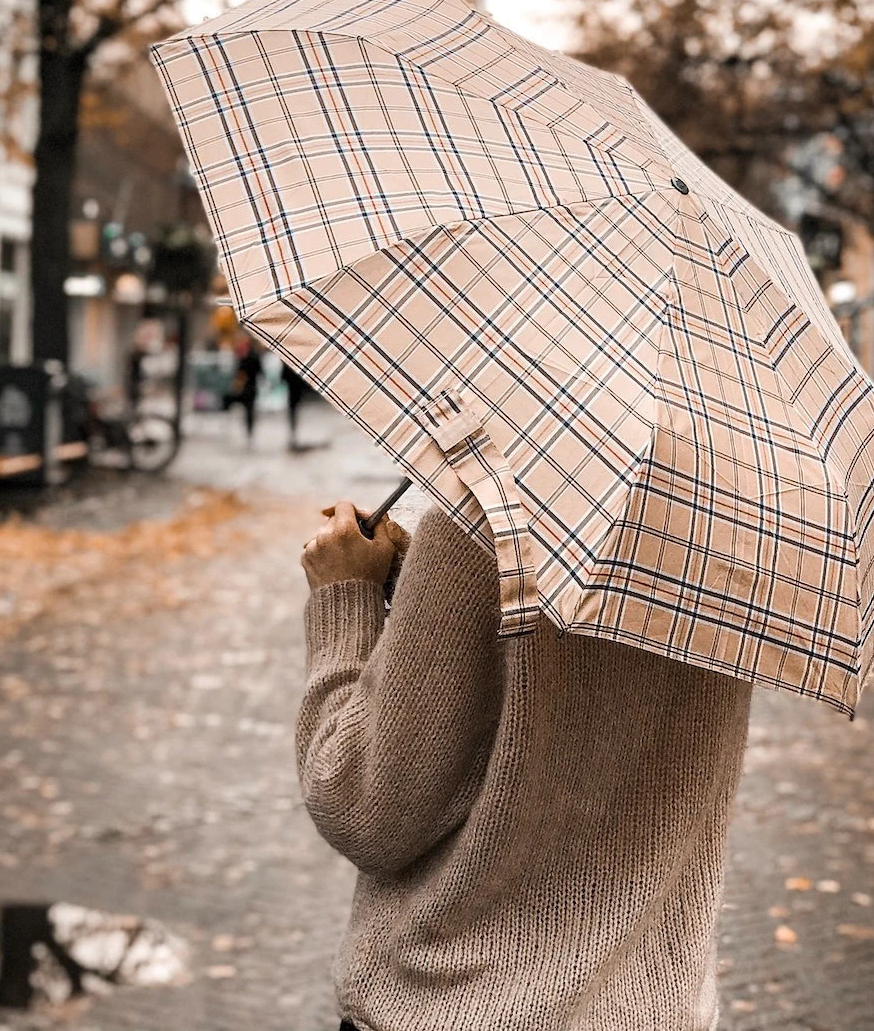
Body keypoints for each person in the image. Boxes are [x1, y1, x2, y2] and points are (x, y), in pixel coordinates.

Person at [296, 499, 753, 1031]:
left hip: (462, 1004)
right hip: (657, 1006)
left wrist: (344, 594)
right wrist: (419, 579)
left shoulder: (489, 508)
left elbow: (360, 807)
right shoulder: (736, 533)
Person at [230, 336, 263, 444]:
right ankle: (250, 429)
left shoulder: (244, 357)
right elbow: (260, 372)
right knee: (250, 409)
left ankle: (248, 429)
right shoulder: (254, 356)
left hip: (246, 386)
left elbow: (239, 371)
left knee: (247, 410)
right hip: (252, 386)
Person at [281, 359, 310, 451]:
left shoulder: (287, 362)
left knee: (293, 412)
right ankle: (294, 433)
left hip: (293, 391)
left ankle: (294, 433)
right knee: (294, 412)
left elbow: (283, 377)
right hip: (296, 391)